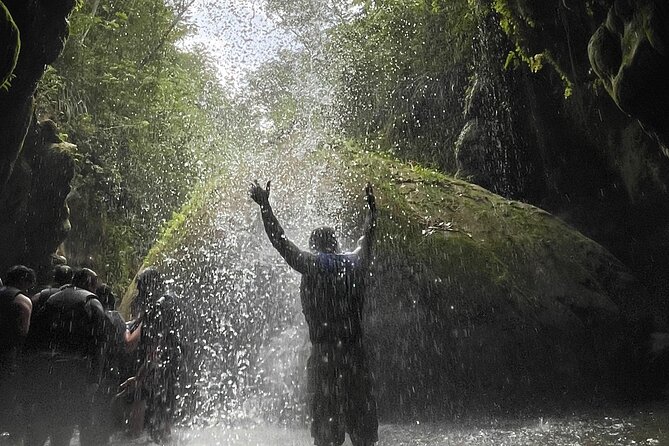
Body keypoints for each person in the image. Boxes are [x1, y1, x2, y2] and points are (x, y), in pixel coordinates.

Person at [250, 181, 379, 446]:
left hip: (325, 357)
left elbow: (281, 242)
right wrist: (372, 212)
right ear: (336, 244)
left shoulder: (310, 264)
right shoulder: (355, 263)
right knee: (364, 432)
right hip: (355, 355)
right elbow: (367, 238)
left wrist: (265, 207)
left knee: (326, 431)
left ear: (313, 245)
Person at [23, 268, 108, 446]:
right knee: (63, 425)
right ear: (89, 283)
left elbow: (30, 330)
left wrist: (28, 363)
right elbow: (99, 343)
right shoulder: (92, 303)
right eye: (95, 282)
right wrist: (95, 378)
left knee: (38, 422)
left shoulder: (46, 296)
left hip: (45, 368)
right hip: (73, 372)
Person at [122, 267, 181, 443]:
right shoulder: (172, 302)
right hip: (172, 367)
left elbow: (131, 343)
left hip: (153, 371)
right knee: (165, 419)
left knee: (139, 405)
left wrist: (139, 376)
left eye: (140, 287)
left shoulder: (154, 309)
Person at [0, 265, 35, 441]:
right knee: (11, 406)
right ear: (23, 281)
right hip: (9, 359)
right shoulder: (22, 300)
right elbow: (24, 333)